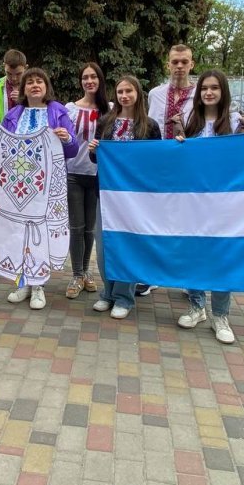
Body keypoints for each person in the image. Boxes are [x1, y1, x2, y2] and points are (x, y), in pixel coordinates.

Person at [0, 67, 79, 310]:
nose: (35, 85)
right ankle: (22, 282)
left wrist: (67, 138)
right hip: (17, 184)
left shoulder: (58, 111)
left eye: (40, 81)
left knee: (40, 233)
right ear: (24, 88)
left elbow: (73, 150)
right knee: (18, 232)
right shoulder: (13, 114)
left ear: (46, 87)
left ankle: (38, 285)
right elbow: (2, 146)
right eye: (30, 82)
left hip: (45, 185)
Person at [174, 69, 244, 343]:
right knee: (194, 252)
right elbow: (181, 162)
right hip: (194, 202)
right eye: (205, 88)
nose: (209, 92)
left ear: (223, 92)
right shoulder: (189, 120)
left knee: (222, 257)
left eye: (214, 88)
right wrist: (178, 144)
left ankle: (220, 315)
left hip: (224, 203)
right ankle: (197, 307)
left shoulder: (236, 122)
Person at [88, 75, 161, 319]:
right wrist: (93, 150)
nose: (124, 96)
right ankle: (107, 293)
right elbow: (96, 159)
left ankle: (124, 297)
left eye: (129, 91)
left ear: (138, 94)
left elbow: (156, 161)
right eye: (120, 92)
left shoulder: (149, 126)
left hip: (134, 199)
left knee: (127, 246)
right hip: (106, 195)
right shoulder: (106, 122)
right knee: (104, 247)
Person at [140, 43, 197, 296]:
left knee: (186, 222)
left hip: (188, 167)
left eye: (184, 62)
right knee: (155, 221)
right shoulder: (155, 94)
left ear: (192, 64)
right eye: (175, 62)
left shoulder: (200, 94)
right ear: (168, 65)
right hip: (158, 167)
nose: (179, 66)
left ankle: (187, 277)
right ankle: (151, 275)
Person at [64, 62, 110, 299]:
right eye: (85, 77)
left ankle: (85, 271)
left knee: (90, 228)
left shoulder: (110, 109)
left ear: (100, 80)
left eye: (93, 77)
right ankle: (77, 274)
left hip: (98, 175)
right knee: (76, 226)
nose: (89, 81)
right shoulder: (70, 109)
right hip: (73, 173)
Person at [0, 49, 27, 279]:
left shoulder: (33, 86)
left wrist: (23, 101)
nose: (14, 78)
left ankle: (18, 256)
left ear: (25, 68)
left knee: (20, 208)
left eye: (18, 74)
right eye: (10, 73)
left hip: (25, 156)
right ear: (4, 68)